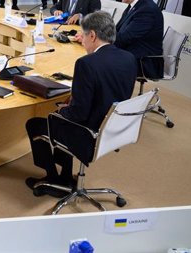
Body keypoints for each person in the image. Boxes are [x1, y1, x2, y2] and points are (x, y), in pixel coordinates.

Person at [25, 11, 137, 195]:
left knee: (38, 123)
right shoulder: (128, 58)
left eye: (83, 35)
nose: (82, 40)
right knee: (64, 116)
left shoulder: (86, 64)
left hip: (89, 132)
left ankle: (52, 178)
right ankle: (66, 175)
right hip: (113, 129)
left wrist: (62, 110)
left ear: (92, 35)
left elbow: (79, 114)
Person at [115, 0, 164, 79]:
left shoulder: (147, 10)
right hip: (132, 51)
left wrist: (100, 40)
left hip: (144, 60)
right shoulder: (135, 5)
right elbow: (117, 30)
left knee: (101, 59)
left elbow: (124, 38)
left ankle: (112, 94)